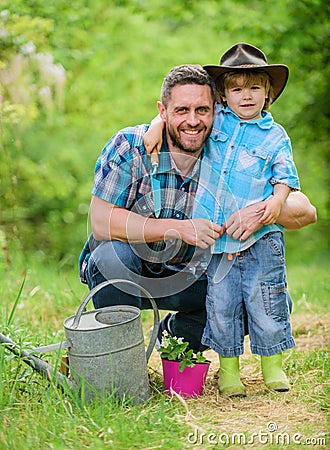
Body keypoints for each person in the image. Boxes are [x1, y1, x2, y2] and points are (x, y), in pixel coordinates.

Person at [79, 63, 316, 356]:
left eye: (202, 110)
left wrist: (262, 209)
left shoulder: (225, 148)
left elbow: (306, 210)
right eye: (181, 111)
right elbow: (101, 222)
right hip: (131, 268)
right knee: (111, 256)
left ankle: (176, 339)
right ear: (163, 111)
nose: (192, 121)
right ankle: (120, 361)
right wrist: (179, 229)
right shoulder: (131, 146)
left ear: (217, 111)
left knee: (270, 303)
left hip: (192, 275)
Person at [143, 43, 317, 396]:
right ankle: (229, 371)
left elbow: (285, 177)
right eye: (236, 88)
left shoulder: (274, 136)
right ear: (223, 94)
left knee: (266, 299)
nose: (246, 95)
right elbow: (180, 114)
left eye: (255, 87)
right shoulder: (216, 121)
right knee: (221, 306)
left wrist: (275, 203)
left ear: (268, 92)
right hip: (219, 243)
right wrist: (156, 124)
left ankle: (273, 366)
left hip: (261, 238)